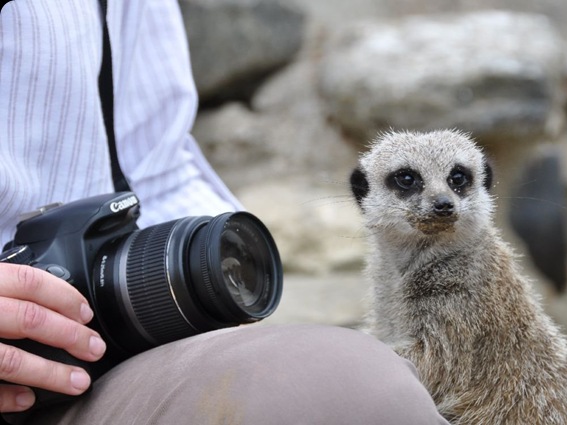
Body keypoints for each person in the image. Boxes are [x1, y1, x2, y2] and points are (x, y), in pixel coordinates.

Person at [0, 1, 450, 424]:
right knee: (346, 380)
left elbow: (155, 166)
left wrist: (217, 278)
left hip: (101, 353)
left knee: (356, 386)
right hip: (19, 378)